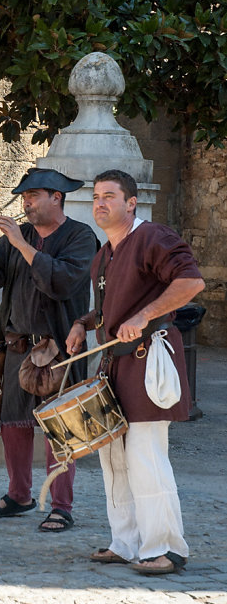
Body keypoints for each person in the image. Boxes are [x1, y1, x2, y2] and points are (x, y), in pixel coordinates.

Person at [65, 169, 204, 575]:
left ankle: (167, 547)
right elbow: (110, 310)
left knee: (146, 454)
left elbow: (190, 282)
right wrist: (83, 323)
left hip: (148, 358)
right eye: (95, 197)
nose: (100, 203)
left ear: (131, 203)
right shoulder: (104, 252)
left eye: (110, 196)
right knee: (114, 456)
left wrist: (144, 316)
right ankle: (125, 542)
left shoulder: (152, 237)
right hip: (115, 363)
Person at [0, 168, 98, 531]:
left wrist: (22, 245)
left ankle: (62, 505)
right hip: (18, 347)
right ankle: (19, 494)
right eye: (24, 197)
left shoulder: (81, 237)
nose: (26, 203)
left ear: (57, 197)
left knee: (60, 429)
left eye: (34, 195)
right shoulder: (14, 238)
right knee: (14, 425)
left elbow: (62, 282)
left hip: (61, 349)